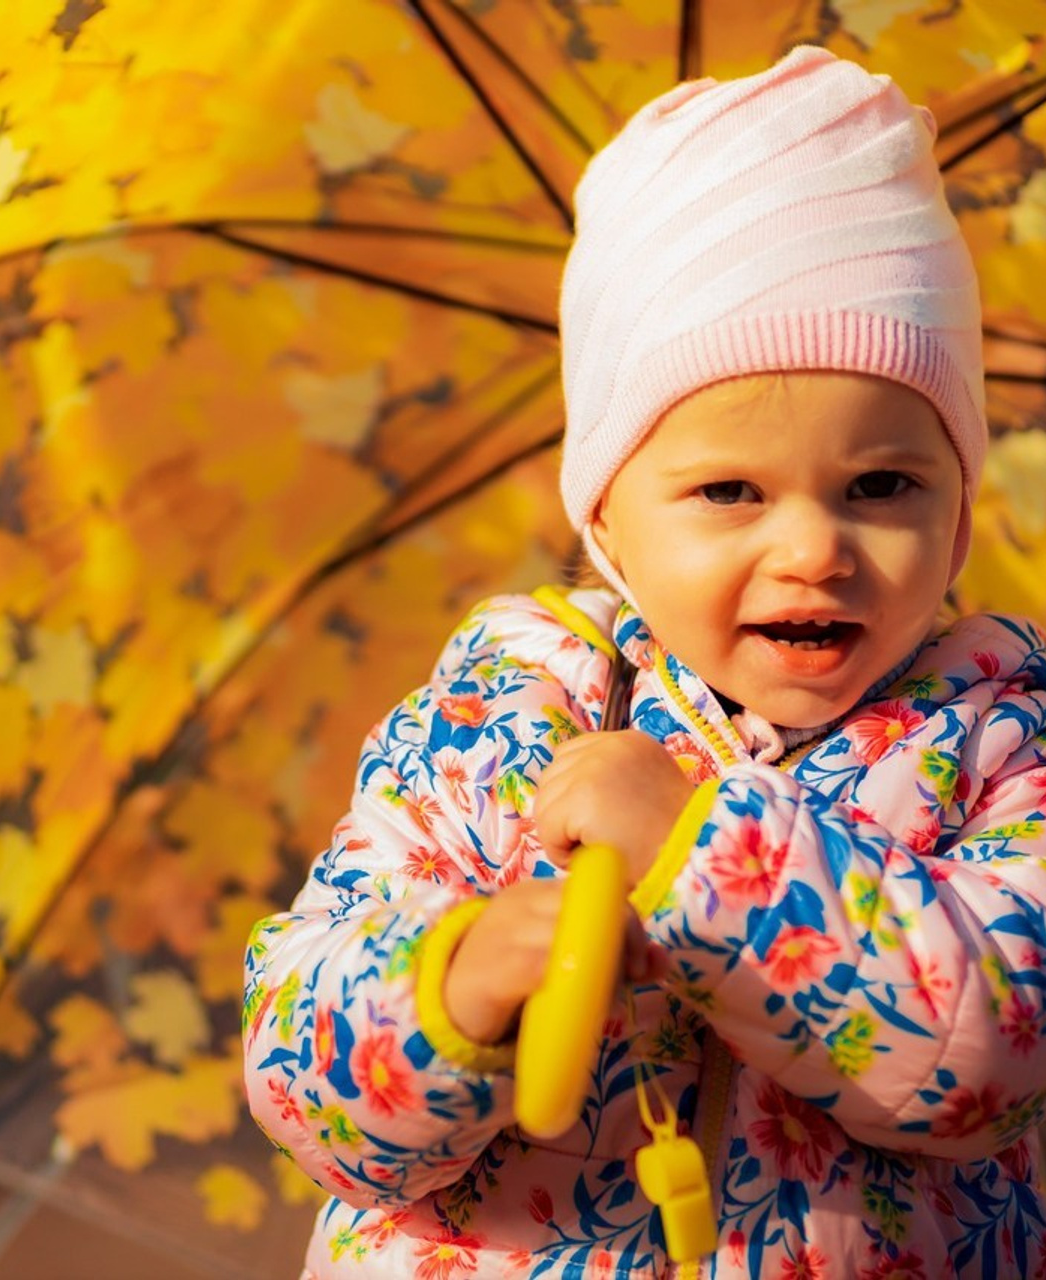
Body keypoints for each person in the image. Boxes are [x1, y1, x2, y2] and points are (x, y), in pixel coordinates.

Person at [243, 46, 1046, 1279]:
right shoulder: (495, 716)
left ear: (956, 506)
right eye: (727, 489)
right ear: (605, 519)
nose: (813, 547)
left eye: (881, 483)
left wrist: (699, 849)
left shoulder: (997, 740)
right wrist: (455, 985)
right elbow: (302, 1076)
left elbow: (989, 1051)